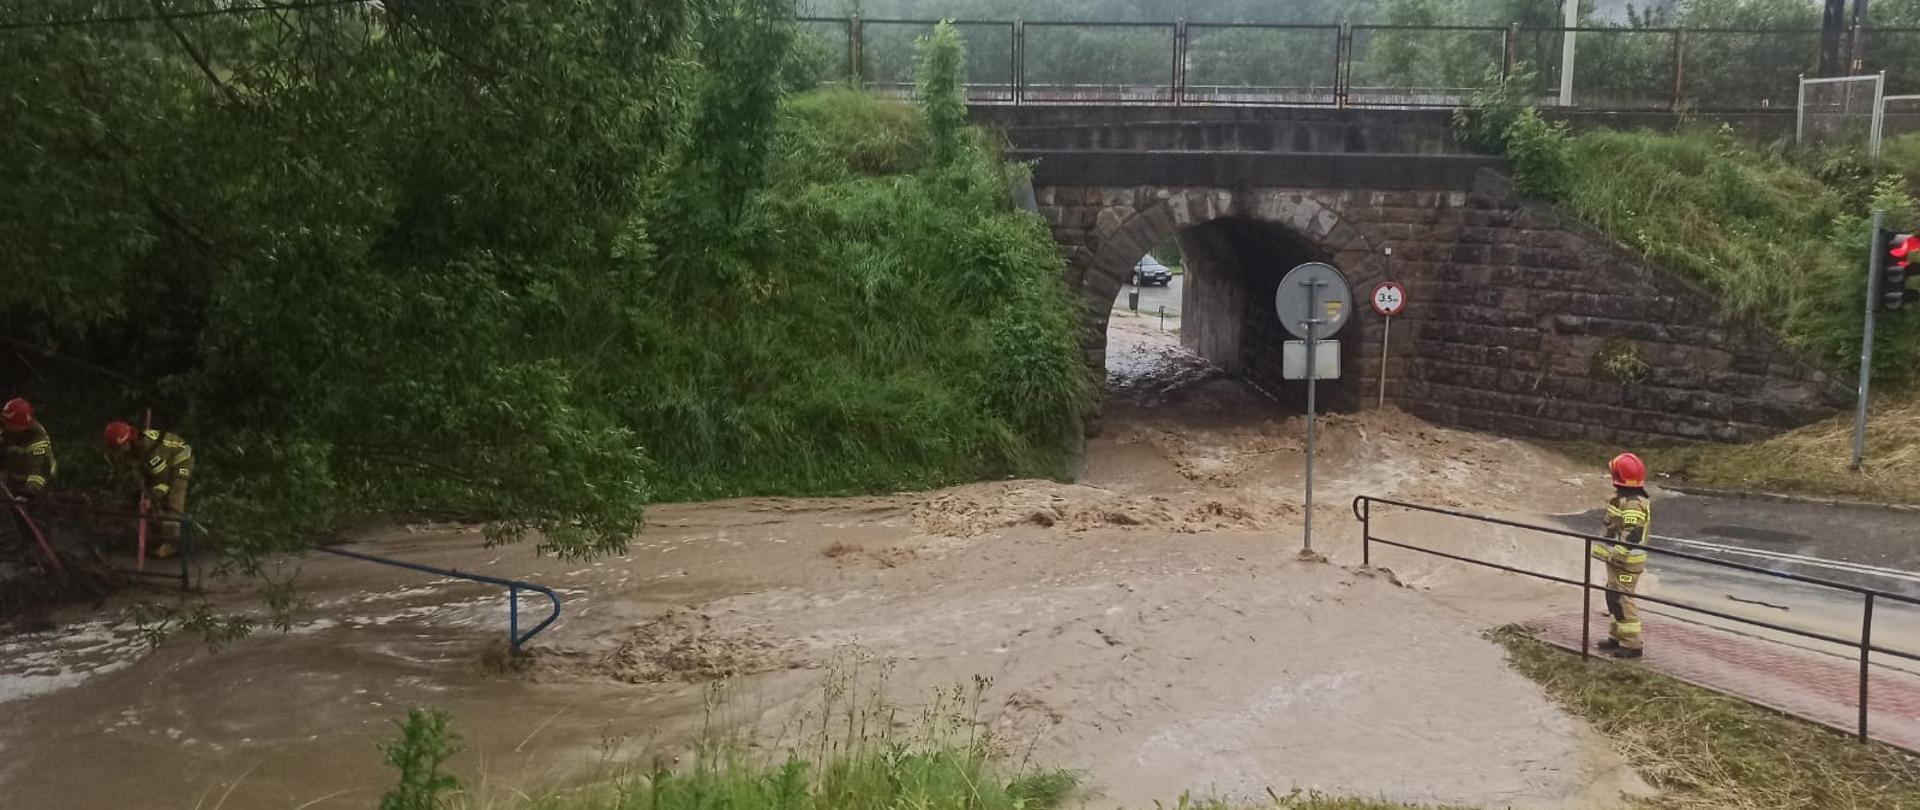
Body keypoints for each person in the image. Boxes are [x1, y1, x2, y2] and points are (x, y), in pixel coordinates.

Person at [104, 421, 193, 559]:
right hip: (164, 459)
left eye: (118, 448)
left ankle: (173, 543)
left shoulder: (151, 453)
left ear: (127, 441)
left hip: (181, 457)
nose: (117, 452)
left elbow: (163, 484)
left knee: (173, 499)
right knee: (152, 496)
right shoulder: (137, 447)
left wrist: (151, 497)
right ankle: (160, 532)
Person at [1591, 453, 1651, 659]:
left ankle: (1631, 645)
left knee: (1623, 599)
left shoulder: (1633, 504)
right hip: (1618, 562)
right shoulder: (1623, 500)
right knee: (1614, 596)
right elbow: (1612, 528)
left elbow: (1631, 534)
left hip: (1626, 565)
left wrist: (1617, 554)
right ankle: (1617, 637)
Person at [2, 398, 55, 501]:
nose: (5, 425)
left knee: (26, 507)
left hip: (37, 480)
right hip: (11, 475)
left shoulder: (38, 439)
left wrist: (27, 494)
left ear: (21, 426)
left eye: (10, 424)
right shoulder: (4, 426)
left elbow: (40, 471)